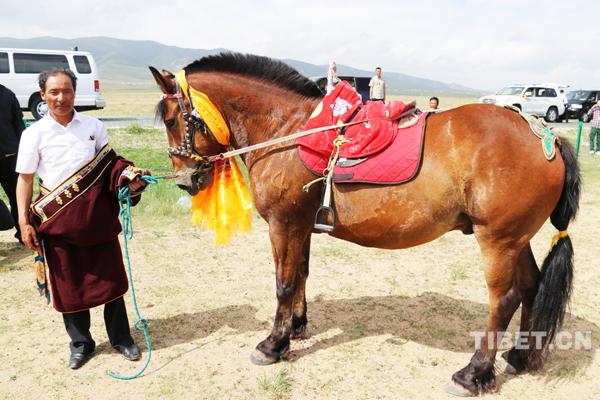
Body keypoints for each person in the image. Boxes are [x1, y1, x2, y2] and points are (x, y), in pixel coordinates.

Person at [16, 68, 150, 370]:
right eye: (54, 92)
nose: (61, 98)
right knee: (70, 288)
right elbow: (24, 179)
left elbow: (111, 167)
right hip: (58, 224)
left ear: (75, 93)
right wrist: (24, 221)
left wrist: (129, 179)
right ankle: (81, 344)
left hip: (97, 220)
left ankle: (121, 338)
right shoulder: (33, 134)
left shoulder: (93, 126)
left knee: (111, 282)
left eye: (67, 91)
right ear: (43, 95)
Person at [0, 83, 26, 243]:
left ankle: (24, 235)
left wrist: (25, 153)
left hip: (10, 157)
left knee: (17, 198)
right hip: (10, 154)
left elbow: (19, 125)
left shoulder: (7, 95)